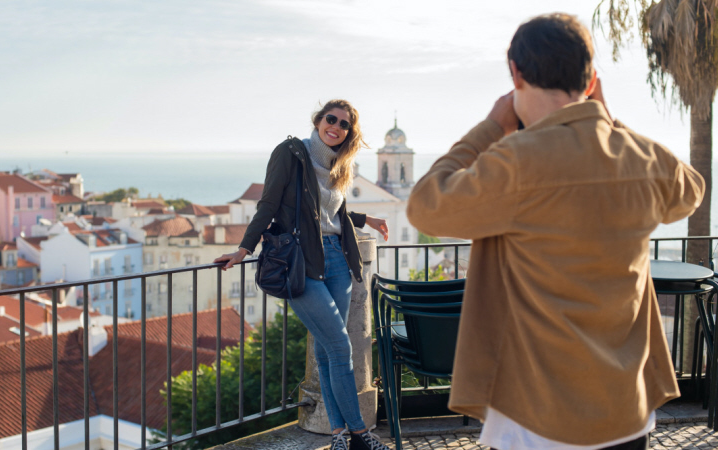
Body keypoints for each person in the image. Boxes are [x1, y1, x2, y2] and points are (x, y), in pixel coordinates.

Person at [406, 13, 704, 450]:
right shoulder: (642, 159)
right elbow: (690, 189)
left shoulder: (517, 161)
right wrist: (609, 122)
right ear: (591, 80)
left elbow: (425, 206)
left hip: (540, 416)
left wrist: (490, 128)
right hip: (626, 410)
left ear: (516, 74)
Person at [215, 99, 391, 450]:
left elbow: (326, 212)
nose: (336, 127)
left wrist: (365, 219)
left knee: (327, 352)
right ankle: (360, 435)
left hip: (338, 259)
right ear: (318, 120)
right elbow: (269, 203)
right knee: (340, 347)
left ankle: (338, 434)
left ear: (349, 133)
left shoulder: (339, 165)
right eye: (331, 119)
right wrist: (244, 249)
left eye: (344, 124)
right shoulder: (291, 153)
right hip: (301, 262)